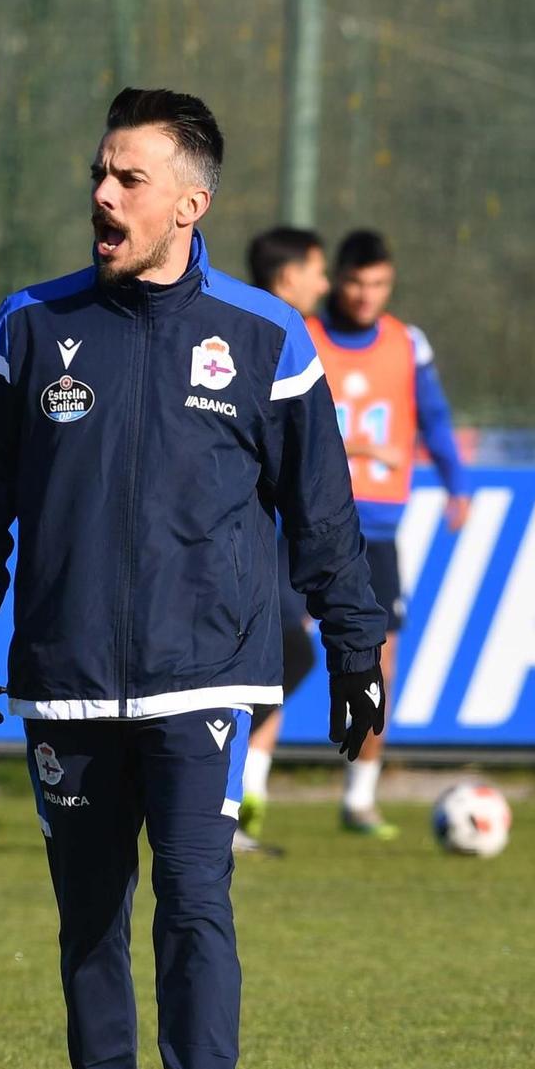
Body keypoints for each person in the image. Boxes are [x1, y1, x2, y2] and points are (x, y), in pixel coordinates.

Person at [0, 89, 386, 1069]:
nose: (101, 195)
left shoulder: (264, 338)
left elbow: (321, 512)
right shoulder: (26, 329)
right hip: (65, 674)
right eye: (98, 172)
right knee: (89, 917)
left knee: (192, 899)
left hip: (209, 675)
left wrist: (353, 648)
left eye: (127, 179)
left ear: (190, 202)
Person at [307, 229, 471, 838]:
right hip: (303, 517)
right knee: (271, 648)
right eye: (355, 282)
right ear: (337, 281)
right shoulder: (304, 336)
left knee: (378, 658)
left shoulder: (408, 343)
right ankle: (247, 789)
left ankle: (360, 797)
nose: (365, 294)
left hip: (375, 526)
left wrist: (457, 481)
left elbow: (434, 416)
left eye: (377, 284)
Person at [233, 226, 331, 854]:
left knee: (282, 662)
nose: (324, 283)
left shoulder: (290, 333)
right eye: (317, 271)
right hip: (249, 538)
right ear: (289, 276)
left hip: (285, 536)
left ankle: (243, 811)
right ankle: (222, 806)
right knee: (276, 662)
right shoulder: (259, 335)